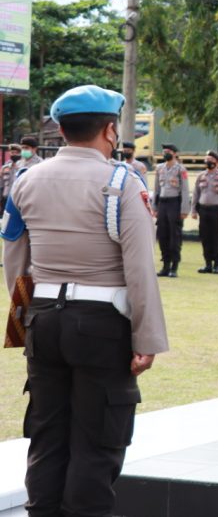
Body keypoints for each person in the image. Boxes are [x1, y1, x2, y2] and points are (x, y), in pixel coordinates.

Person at [2, 84, 169, 516]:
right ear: (111, 131)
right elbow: (139, 268)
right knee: (97, 441)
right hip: (100, 322)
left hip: (43, 319)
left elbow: (14, 259)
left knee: (47, 434)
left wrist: (24, 322)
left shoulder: (26, 179)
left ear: (59, 129)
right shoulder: (122, 182)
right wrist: (145, 337)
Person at [153, 143, 190, 278]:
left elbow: (185, 190)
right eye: (164, 152)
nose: (165, 154)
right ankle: (165, 266)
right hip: (163, 203)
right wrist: (154, 207)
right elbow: (156, 189)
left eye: (168, 151)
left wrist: (184, 209)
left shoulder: (181, 169)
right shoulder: (159, 168)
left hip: (175, 203)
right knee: (162, 235)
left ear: (175, 153)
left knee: (175, 236)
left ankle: (174, 266)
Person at [191, 151, 218, 274]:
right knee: (205, 237)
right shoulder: (201, 175)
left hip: (217, 209)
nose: (208, 162)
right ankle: (207, 264)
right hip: (203, 209)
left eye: (211, 159)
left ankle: (217, 264)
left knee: (216, 237)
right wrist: (194, 210)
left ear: (216, 162)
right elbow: (196, 193)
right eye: (206, 159)